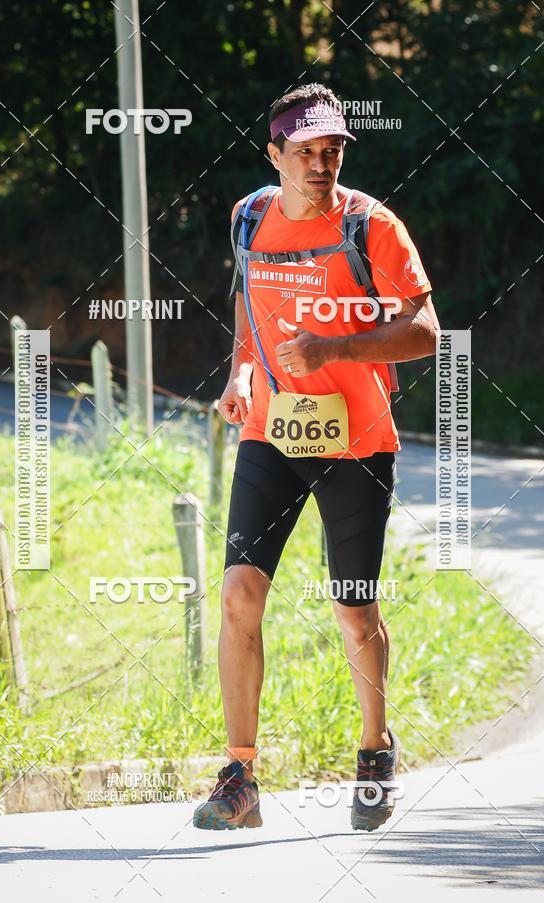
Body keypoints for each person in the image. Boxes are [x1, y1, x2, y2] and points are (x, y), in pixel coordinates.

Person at [193, 83, 439, 833]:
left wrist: (333, 347)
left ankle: (375, 750)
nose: (322, 163)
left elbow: (425, 331)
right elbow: (250, 302)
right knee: (238, 592)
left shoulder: (373, 226)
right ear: (276, 155)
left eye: (333, 150)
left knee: (353, 606)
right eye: (306, 152)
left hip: (357, 442)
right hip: (272, 432)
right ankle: (240, 775)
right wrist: (241, 370)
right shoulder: (249, 218)